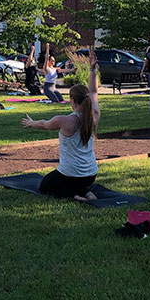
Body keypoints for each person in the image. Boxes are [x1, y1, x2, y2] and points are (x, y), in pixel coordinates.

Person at [22, 49, 101, 201]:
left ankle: (75, 196)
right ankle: (85, 191)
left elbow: (45, 124)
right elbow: (94, 92)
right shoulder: (94, 117)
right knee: (76, 181)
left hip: (70, 174)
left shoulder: (64, 120)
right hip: (91, 174)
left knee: (45, 186)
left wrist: (31, 123)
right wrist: (92, 69)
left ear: (72, 100)